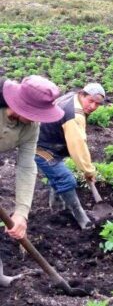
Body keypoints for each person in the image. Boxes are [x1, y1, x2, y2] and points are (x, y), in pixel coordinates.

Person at [0, 75, 64, 286]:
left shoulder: (31, 126)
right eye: (37, 113)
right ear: (21, 105)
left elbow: (27, 166)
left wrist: (21, 212)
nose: (40, 119)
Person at [35, 83, 105, 230]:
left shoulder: (72, 97)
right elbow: (78, 146)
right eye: (90, 101)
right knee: (66, 179)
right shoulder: (74, 115)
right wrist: (88, 170)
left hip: (46, 142)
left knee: (58, 175)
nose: (93, 106)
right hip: (39, 148)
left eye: (97, 104)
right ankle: (82, 219)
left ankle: (57, 209)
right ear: (82, 94)